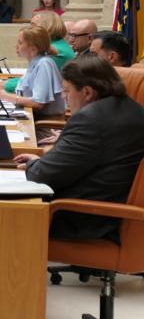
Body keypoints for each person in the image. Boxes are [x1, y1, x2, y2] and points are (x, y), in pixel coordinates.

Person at [15, 55, 144, 242]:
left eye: (66, 91)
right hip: (113, 214)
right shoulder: (133, 109)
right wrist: (42, 160)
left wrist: (34, 164)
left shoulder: (90, 121)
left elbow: (41, 176)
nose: (64, 97)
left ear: (87, 92)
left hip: (82, 218)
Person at [0, 25, 66, 121]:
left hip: (45, 126)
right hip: (33, 119)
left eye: (20, 42)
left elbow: (38, 103)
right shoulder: (35, 62)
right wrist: (0, 93)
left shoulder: (44, 64)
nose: (16, 46)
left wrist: (5, 96)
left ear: (33, 49)